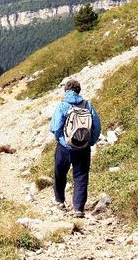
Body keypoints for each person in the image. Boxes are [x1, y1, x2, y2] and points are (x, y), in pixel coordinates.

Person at [50, 79, 101, 218]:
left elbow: (55, 127)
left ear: (66, 91)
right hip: (83, 148)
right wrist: (89, 142)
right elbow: (97, 127)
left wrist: (61, 139)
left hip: (64, 147)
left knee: (60, 173)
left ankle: (60, 201)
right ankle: (78, 209)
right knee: (81, 176)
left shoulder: (62, 105)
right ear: (79, 91)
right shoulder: (87, 105)